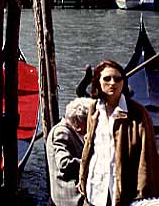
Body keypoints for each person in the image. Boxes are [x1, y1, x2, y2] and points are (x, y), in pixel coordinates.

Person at [79, 60, 159, 206]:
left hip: (123, 188)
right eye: (107, 79)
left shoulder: (138, 113)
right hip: (96, 184)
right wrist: (82, 178)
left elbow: (147, 155)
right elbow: (89, 148)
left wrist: (143, 192)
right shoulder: (94, 109)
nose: (112, 83)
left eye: (117, 79)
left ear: (123, 82)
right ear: (98, 82)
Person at [47, 97, 94, 206]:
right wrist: (91, 164)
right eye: (89, 122)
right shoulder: (61, 132)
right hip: (71, 197)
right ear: (78, 121)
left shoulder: (72, 132)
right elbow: (64, 164)